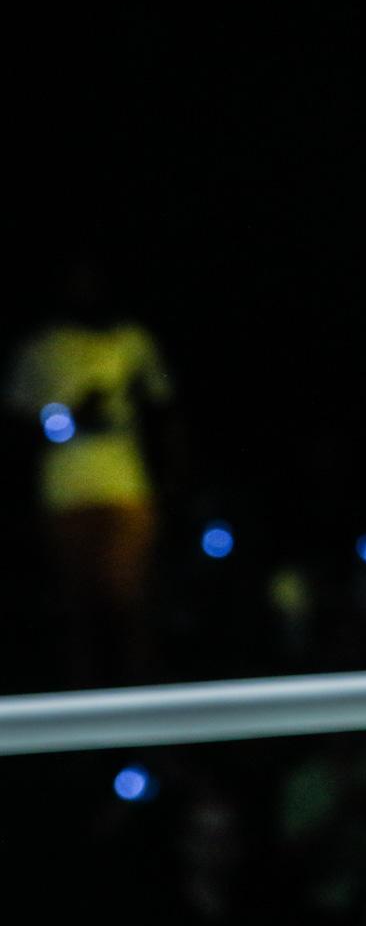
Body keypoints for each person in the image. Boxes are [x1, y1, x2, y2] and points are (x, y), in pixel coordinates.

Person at [7, 260, 175, 686]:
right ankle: (80, 713)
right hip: (63, 490)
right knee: (76, 609)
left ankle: (142, 708)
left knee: (128, 600)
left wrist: (171, 480)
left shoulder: (131, 341)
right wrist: (69, 418)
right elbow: (17, 428)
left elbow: (164, 412)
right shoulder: (38, 348)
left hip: (124, 485)